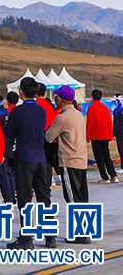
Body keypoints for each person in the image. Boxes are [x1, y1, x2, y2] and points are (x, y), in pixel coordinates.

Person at [5, 77, 55, 250]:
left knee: (25, 199)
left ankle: (27, 238)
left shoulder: (18, 112)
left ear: (21, 92)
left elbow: (8, 131)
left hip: (25, 158)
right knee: (44, 198)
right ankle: (50, 237)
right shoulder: (41, 110)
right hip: (41, 158)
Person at [45, 87, 89, 219]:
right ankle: (86, 230)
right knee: (82, 197)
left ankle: (81, 233)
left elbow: (48, 137)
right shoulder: (79, 115)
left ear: (59, 100)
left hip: (68, 161)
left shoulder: (62, 118)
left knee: (72, 198)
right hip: (81, 160)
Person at [87, 89, 118, 183]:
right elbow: (109, 123)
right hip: (105, 135)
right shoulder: (105, 108)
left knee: (99, 157)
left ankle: (105, 177)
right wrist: (110, 135)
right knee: (107, 156)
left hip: (96, 136)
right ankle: (113, 175)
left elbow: (90, 123)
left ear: (92, 97)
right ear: (101, 97)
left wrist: (87, 136)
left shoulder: (91, 108)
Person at [113, 95, 123, 167]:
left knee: (121, 150)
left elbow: (116, 123)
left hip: (120, 133)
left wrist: (114, 134)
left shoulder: (117, 111)